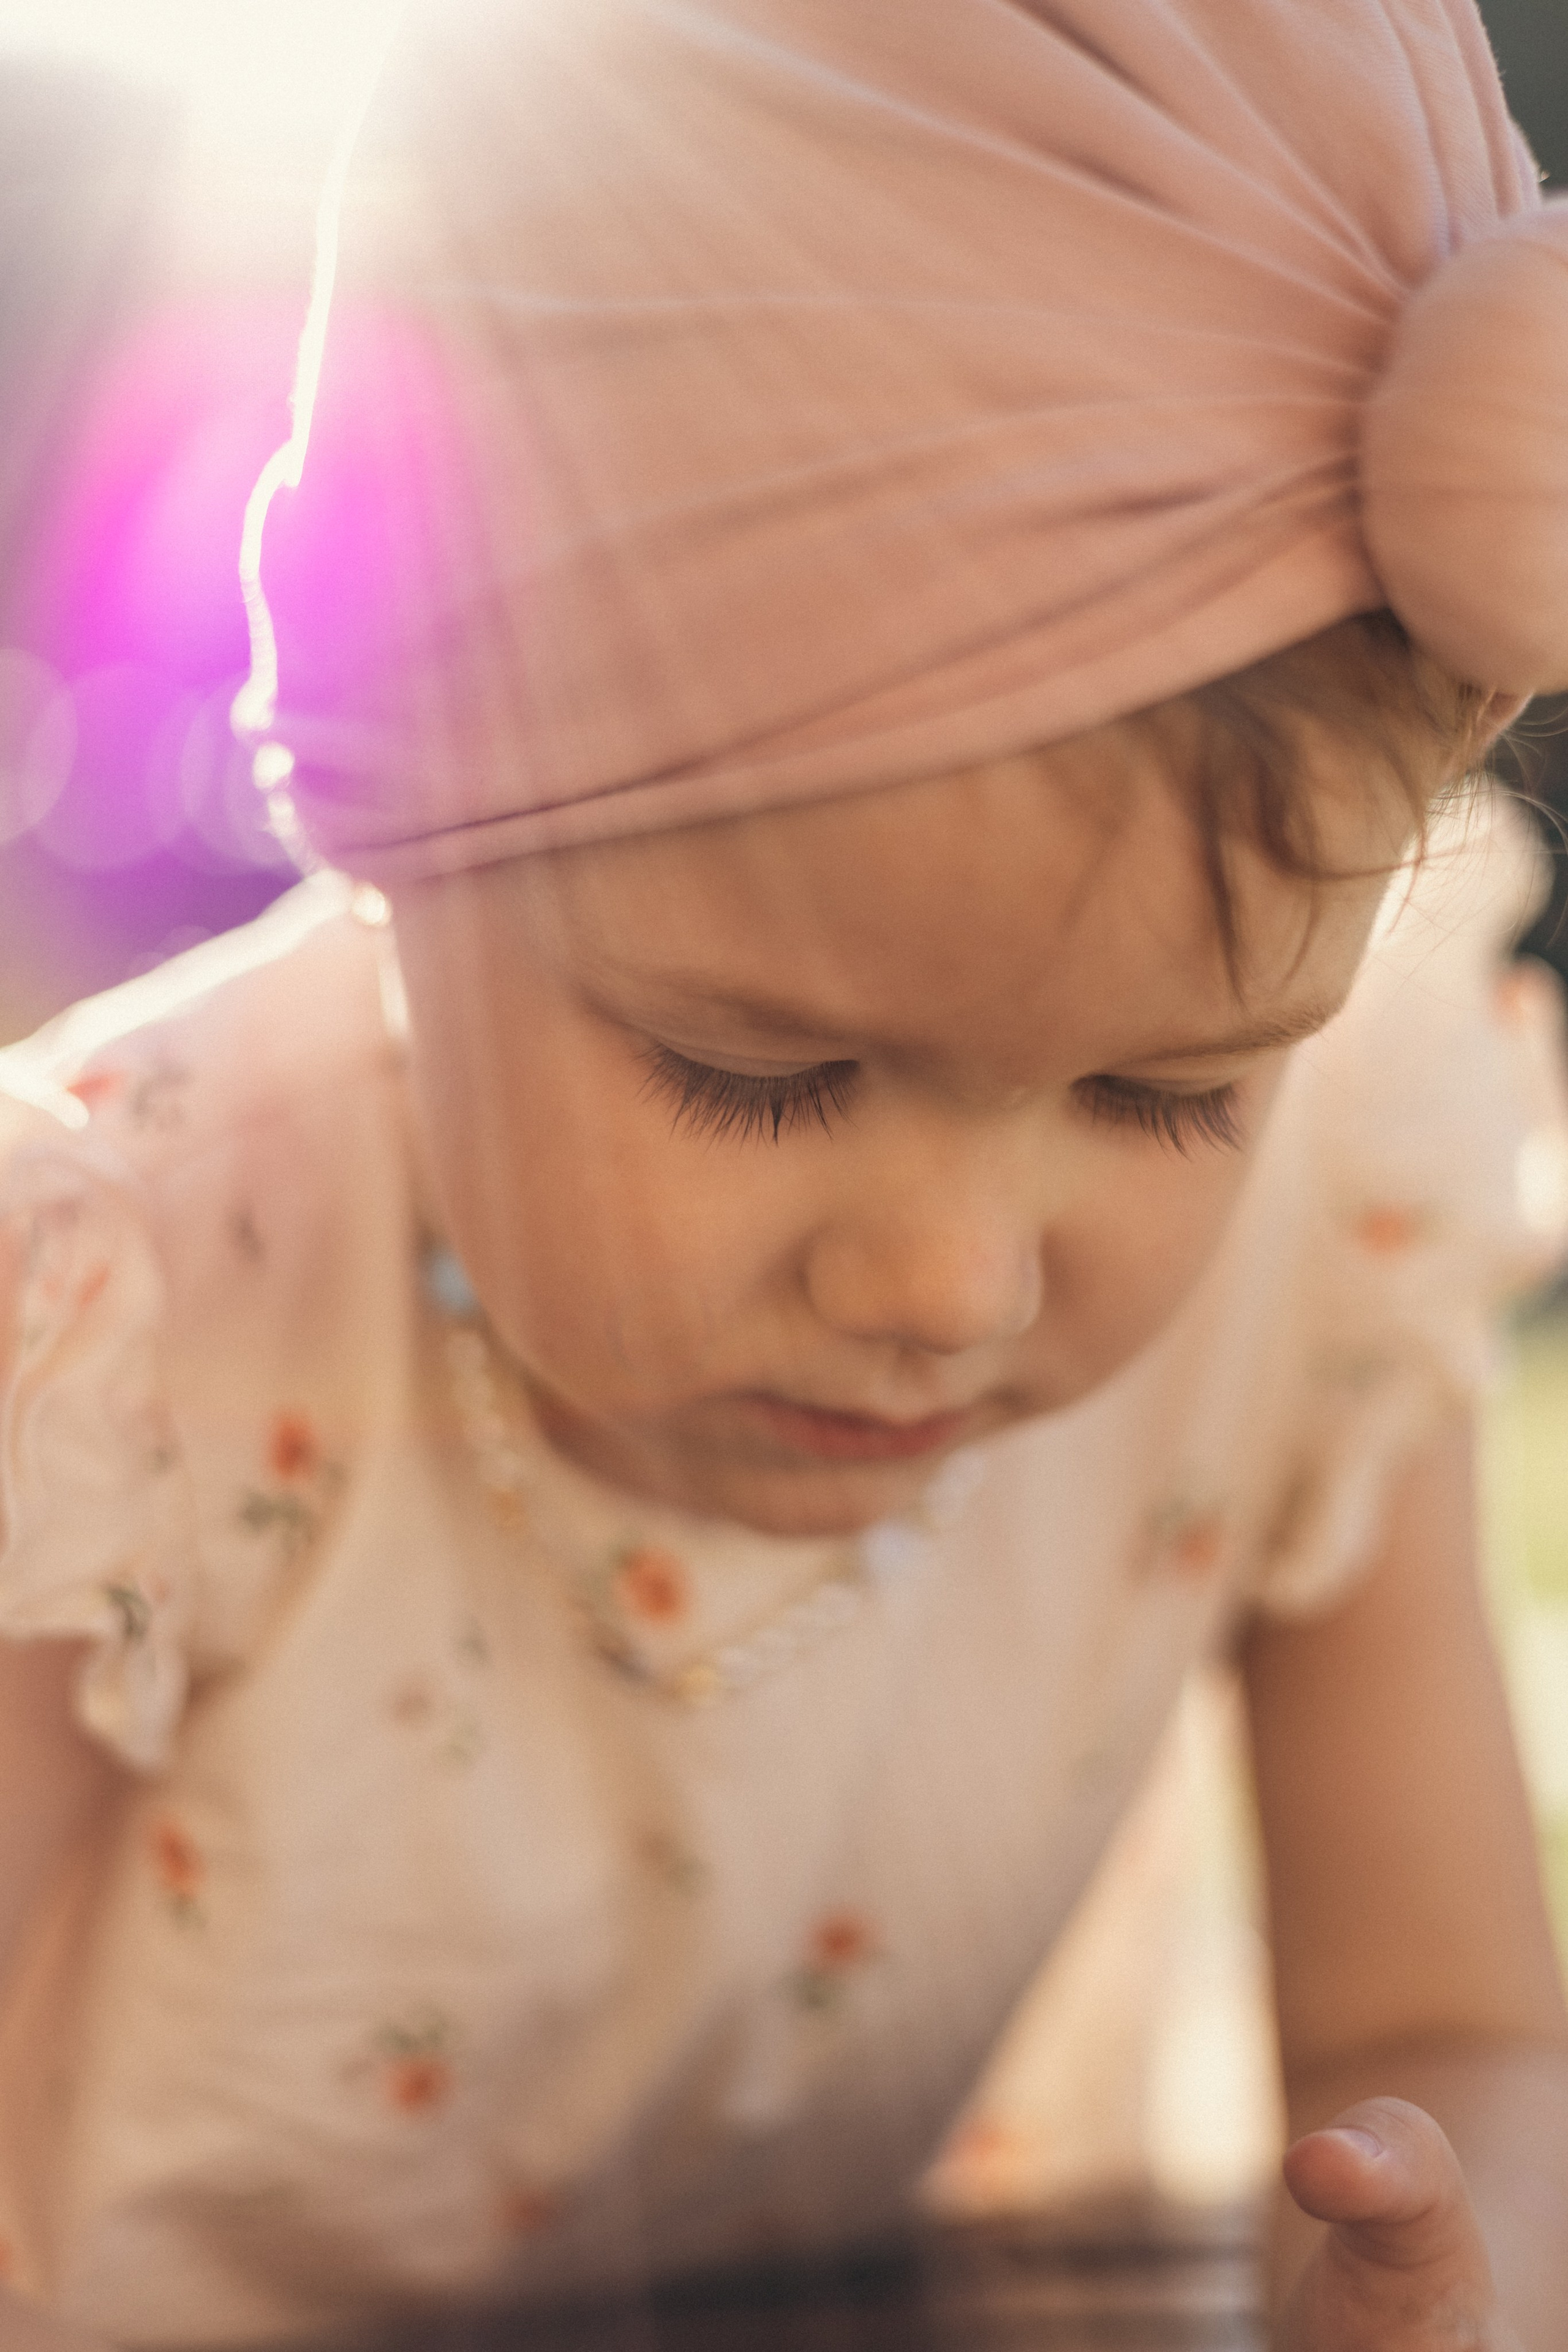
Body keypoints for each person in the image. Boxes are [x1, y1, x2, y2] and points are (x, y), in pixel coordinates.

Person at [3, 1, 1568, 2343]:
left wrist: (1454, 2274)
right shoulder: (121, 1333)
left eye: (1163, 1097)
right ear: (412, 840)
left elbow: (1458, 2019)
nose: (949, 1278)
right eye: (758, 1072)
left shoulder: (1320, 1232)